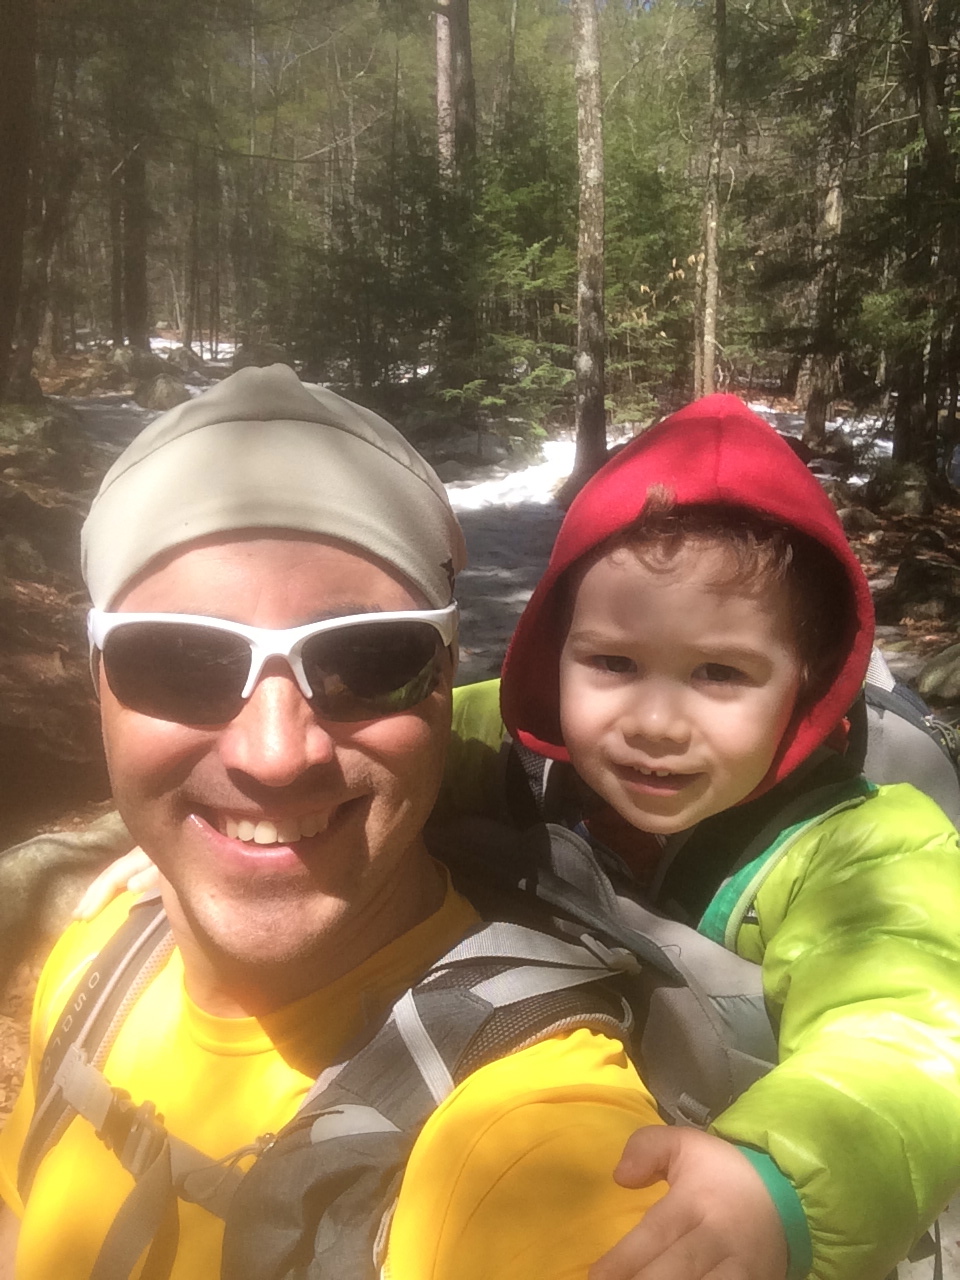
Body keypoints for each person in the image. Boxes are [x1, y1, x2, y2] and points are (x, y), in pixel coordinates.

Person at [0, 365, 677, 1280]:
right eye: (182, 659)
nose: (276, 754)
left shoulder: (523, 1133)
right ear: (98, 685)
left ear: (446, 681)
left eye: (368, 659)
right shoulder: (104, 953)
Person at [440, 394, 960, 1280]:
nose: (655, 722)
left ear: (805, 684)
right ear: (553, 655)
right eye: (612, 662)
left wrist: (783, 1185)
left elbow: (914, 1036)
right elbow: (390, 752)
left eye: (719, 673)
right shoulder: (522, 747)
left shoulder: (866, 850)